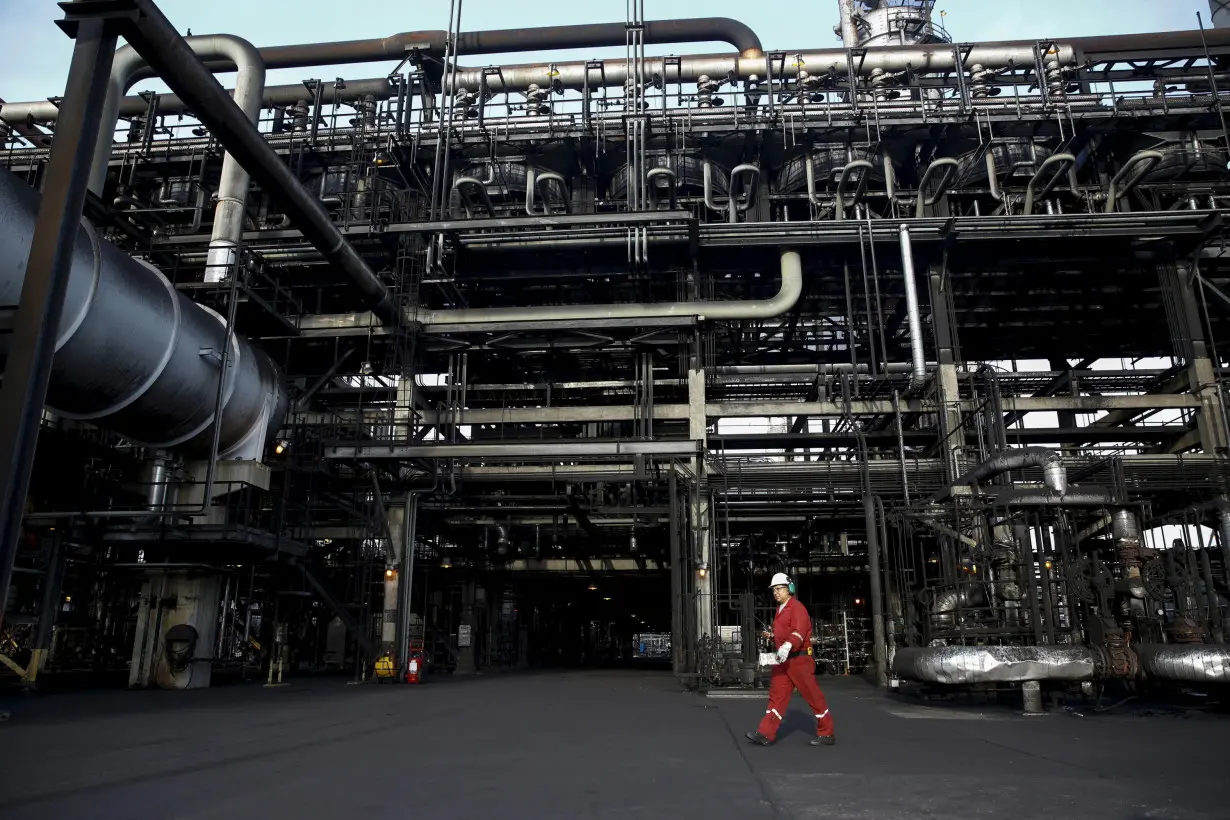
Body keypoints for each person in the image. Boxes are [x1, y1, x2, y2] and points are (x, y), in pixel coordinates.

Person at [746, 572, 836, 747]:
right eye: (774, 590)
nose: (776, 593)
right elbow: (785, 634)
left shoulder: (797, 608)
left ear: (790, 589)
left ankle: (827, 733)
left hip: (799, 660)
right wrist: (773, 637)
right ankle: (765, 733)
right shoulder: (780, 610)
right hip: (784, 660)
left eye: (780, 589)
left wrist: (788, 645)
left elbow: (798, 632)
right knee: (776, 697)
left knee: (812, 696)